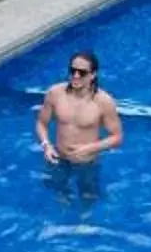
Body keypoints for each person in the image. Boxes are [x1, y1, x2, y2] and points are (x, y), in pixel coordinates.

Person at [35, 51, 123, 184]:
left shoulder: (104, 102)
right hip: (59, 158)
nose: (76, 76)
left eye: (82, 72)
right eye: (72, 70)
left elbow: (117, 137)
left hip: (87, 162)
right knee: (59, 193)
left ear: (93, 75)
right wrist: (46, 145)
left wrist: (89, 148)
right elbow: (41, 123)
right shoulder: (55, 93)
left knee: (88, 197)